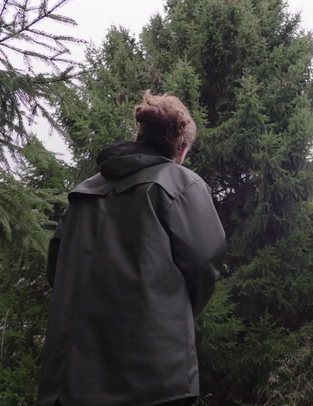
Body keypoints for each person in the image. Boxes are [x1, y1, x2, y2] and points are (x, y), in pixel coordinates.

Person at [38, 91, 226, 406]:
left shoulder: (84, 192)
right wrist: (173, 312)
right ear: (181, 148)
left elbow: (57, 270)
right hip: (154, 381)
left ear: (140, 135)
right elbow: (204, 262)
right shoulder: (180, 185)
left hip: (69, 380)